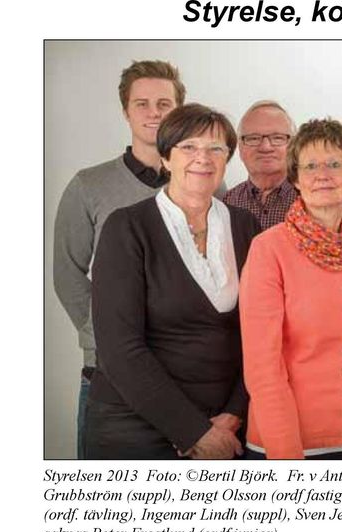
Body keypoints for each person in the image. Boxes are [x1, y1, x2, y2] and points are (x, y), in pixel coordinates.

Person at [85, 103, 258, 460]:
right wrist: (193, 431)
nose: (203, 158)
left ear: (228, 160)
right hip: (136, 425)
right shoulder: (127, 227)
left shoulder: (246, 226)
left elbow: (260, 332)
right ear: (166, 158)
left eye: (216, 149)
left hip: (225, 423)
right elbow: (120, 349)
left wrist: (235, 413)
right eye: (189, 147)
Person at [54, 59, 185, 456]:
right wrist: (103, 333)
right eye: (142, 103)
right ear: (125, 110)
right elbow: (68, 273)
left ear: (179, 109)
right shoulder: (88, 186)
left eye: (164, 103)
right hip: (108, 372)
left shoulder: (205, 181)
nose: (153, 113)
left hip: (183, 371)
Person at [239, 118, 342, 460]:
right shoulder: (268, 249)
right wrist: (285, 452)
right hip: (290, 443)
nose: (323, 174)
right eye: (310, 165)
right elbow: (263, 365)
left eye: (335, 164)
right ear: (295, 178)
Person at [224, 100, 296, 230]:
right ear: (240, 147)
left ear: (294, 145)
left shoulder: (311, 200)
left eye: (277, 138)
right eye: (253, 138)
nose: (265, 147)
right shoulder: (227, 203)